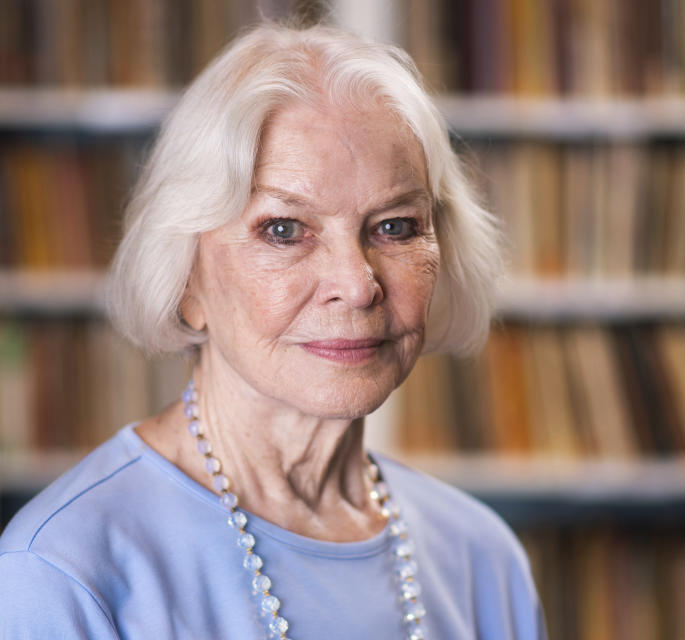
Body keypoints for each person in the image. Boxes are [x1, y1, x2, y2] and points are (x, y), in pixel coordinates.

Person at [0, 22, 546, 640]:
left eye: (394, 226)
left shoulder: (483, 559)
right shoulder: (61, 573)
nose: (357, 283)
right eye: (285, 229)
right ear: (186, 276)